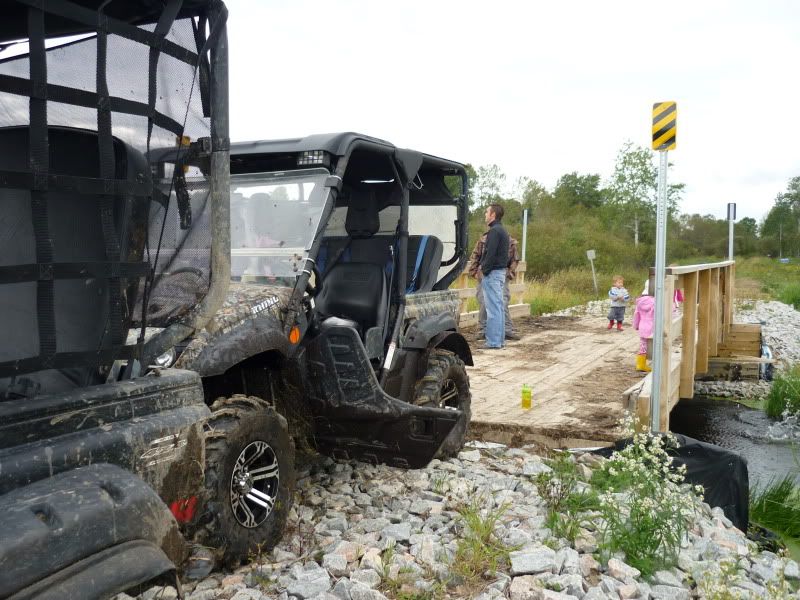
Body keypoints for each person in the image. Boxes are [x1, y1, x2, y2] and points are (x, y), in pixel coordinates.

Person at [469, 232, 521, 342]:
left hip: (501, 276)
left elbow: (515, 260)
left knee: (503, 301)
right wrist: (474, 272)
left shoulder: (510, 243)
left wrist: (508, 273)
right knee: (483, 302)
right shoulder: (482, 241)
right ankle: (483, 329)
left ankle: (507, 329)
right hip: (484, 275)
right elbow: (475, 256)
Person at [479, 203, 510, 349]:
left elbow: (490, 254)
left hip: (493, 274)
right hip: (500, 272)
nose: (485, 214)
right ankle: (499, 340)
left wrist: (484, 270)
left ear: (493, 215)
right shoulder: (502, 231)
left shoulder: (494, 232)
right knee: (498, 307)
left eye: (487, 212)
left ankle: (493, 342)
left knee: (493, 309)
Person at [632, 280, 655, 372]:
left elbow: (636, 314)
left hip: (643, 326)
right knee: (656, 345)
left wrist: (636, 325)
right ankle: (657, 364)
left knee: (643, 345)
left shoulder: (640, 302)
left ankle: (640, 364)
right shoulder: (655, 302)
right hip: (653, 327)